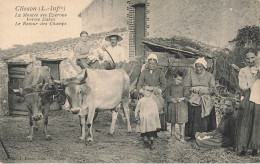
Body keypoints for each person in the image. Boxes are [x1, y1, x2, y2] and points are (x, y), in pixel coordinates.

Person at [185, 57, 219, 139]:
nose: (198, 68)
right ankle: (192, 134)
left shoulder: (209, 76)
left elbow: (212, 89)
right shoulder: (191, 75)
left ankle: (204, 134)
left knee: (204, 114)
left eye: (200, 67)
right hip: (194, 97)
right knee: (193, 111)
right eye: (197, 66)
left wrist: (204, 91)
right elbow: (187, 87)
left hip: (205, 97)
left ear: (204, 67)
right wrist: (193, 89)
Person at [235, 48, 260, 156]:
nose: (250, 60)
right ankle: (243, 148)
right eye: (248, 58)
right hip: (248, 98)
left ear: (257, 57)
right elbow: (244, 87)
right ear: (245, 59)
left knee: (257, 123)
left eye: (253, 57)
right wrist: (255, 78)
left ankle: (255, 148)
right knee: (246, 123)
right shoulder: (243, 71)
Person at [137, 53, 167, 132]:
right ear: (147, 63)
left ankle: (155, 129)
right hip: (146, 93)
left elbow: (164, 85)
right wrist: (142, 91)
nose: (151, 65)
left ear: (156, 64)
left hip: (156, 93)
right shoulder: (144, 72)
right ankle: (146, 128)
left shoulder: (160, 72)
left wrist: (158, 90)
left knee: (156, 108)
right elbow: (139, 85)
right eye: (150, 63)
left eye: (154, 64)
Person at [164, 70, 190, 142]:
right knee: (173, 122)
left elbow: (187, 96)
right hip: (172, 106)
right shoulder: (170, 86)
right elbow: (166, 95)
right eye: (178, 79)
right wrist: (171, 99)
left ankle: (182, 136)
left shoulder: (184, 86)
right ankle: (172, 135)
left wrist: (182, 98)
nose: (179, 81)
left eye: (181, 80)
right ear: (174, 78)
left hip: (181, 106)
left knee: (181, 122)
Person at [135, 85, 161, 150]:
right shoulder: (141, 100)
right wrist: (137, 117)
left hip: (150, 118)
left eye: (151, 91)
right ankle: (145, 140)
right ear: (143, 91)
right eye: (147, 90)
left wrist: (156, 119)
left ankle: (151, 141)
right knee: (144, 128)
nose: (148, 92)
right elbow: (137, 109)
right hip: (143, 118)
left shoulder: (152, 101)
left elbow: (155, 110)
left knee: (150, 129)